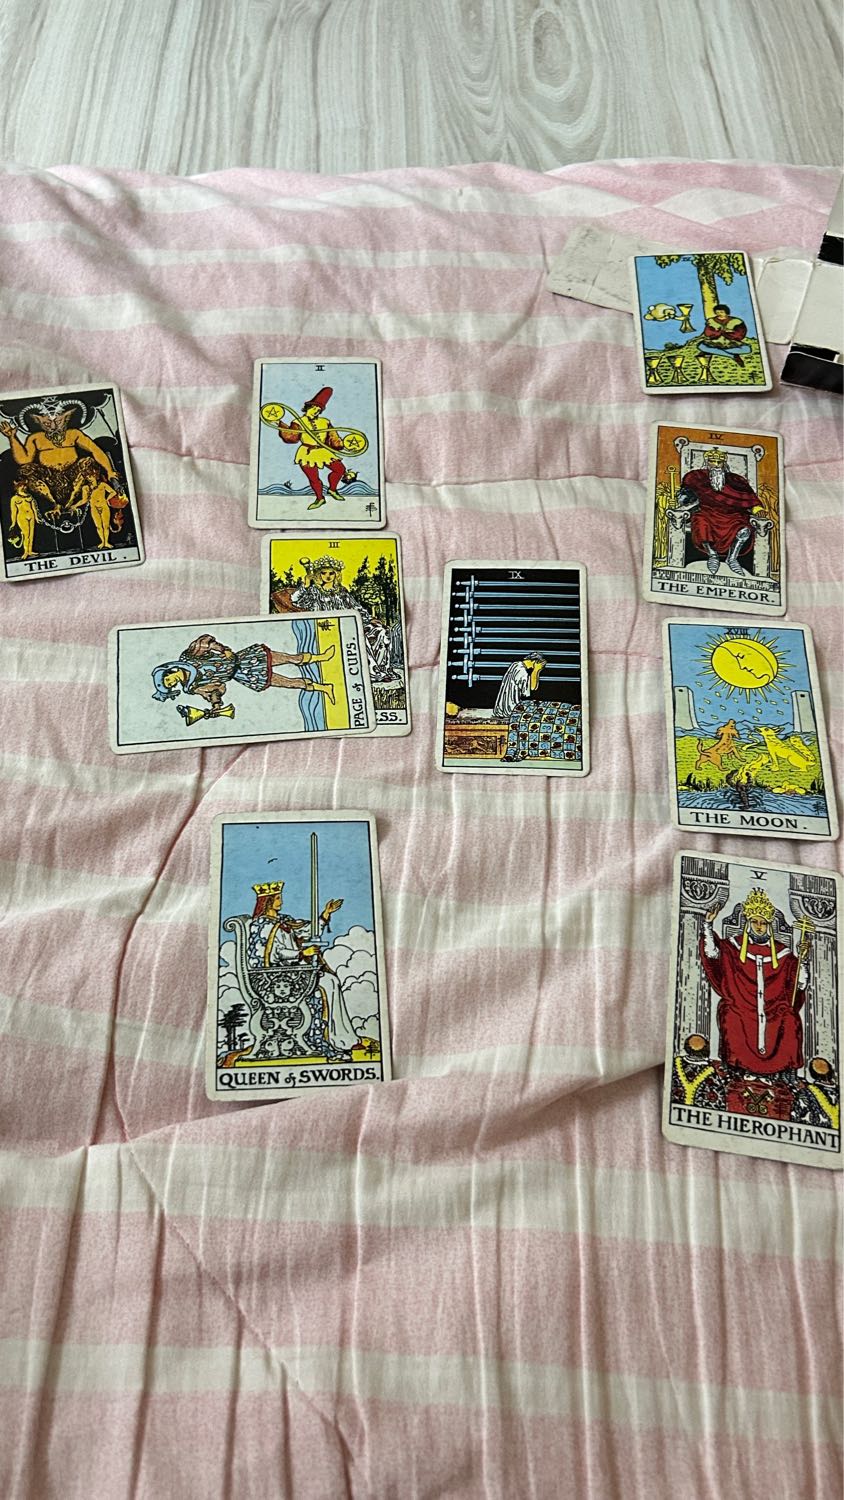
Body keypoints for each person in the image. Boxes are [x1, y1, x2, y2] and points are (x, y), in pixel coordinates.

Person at [700, 888, 809, 1076]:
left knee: (790, 1020)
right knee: (730, 1014)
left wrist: (803, 960)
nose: (759, 927)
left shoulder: (783, 954)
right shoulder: (733, 946)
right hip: (741, 1007)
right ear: (748, 923)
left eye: (763, 923)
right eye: (755, 922)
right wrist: (708, 924)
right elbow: (712, 954)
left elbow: (799, 985)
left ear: (769, 926)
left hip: (774, 1011)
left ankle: (784, 1074)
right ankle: (735, 1069)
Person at [247, 881, 357, 1057]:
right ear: (268, 901)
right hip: (277, 978)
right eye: (277, 898)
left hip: (294, 972)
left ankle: (341, 1038)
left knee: (331, 981)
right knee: (324, 985)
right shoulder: (261, 925)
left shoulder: (284, 920)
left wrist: (325, 914)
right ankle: (317, 1038)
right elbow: (276, 953)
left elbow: (307, 930)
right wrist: (301, 953)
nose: (281, 902)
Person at [272, 554, 396, 682]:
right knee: (358, 635)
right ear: (318, 575)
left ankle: (384, 669)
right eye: (323, 573)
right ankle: (372, 673)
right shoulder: (313, 591)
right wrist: (306, 585)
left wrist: (369, 619)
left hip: (348, 624)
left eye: (331, 573)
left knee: (382, 630)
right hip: (327, 627)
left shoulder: (342, 591)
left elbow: (356, 607)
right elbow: (295, 601)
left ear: (336, 574)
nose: (328, 576)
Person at [150, 633, 336, 707]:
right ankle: (324, 688)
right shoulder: (191, 688)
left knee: (290, 658)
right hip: (245, 675)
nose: (171, 682)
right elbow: (216, 689)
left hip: (245, 658)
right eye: (169, 685)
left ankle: (321, 657)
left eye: (167, 680)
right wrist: (215, 700)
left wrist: (223, 649)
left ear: (169, 671)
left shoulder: (187, 657)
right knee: (287, 683)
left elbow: (206, 644)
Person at [674, 446, 762, 576]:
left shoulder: (736, 480)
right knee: (701, 522)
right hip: (707, 512)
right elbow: (686, 497)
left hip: (733, 515)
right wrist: (681, 499)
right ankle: (712, 555)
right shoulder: (696, 477)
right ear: (707, 462)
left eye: (719, 462)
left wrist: (757, 508)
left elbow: (748, 497)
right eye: (712, 461)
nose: (716, 465)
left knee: (744, 530)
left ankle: (732, 558)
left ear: (724, 464)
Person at [277, 387, 358, 510]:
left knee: (340, 470)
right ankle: (320, 499)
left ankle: (332, 489)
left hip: (323, 451)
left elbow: (333, 438)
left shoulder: (325, 422)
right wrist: (280, 424)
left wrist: (344, 444)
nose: (316, 411)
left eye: (319, 410)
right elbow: (292, 438)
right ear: (308, 408)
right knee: (314, 478)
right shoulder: (298, 422)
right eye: (314, 408)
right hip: (307, 453)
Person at [493, 654, 546, 719]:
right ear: (535, 662)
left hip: (503, 708)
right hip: (512, 709)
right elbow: (532, 688)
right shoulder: (522, 672)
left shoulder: (516, 664)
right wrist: (536, 670)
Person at [698, 303, 749, 367]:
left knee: (746, 349)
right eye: (717, 312)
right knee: (702, 347)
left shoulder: (736, 321)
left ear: (726, 312)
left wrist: (729, 333)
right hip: (715, 341)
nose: (719, 314)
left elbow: (741, 333)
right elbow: (708, 333)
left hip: (731, 342)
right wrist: (719, 332)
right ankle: (732, 356)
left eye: (721, 312)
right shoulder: (711, 321)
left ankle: (723, 353)